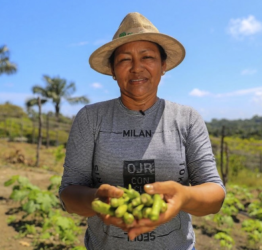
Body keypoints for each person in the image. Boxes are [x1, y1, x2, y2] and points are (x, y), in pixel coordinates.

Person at [59, 12, 226, 250]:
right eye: (125, 59)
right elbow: (68, 193)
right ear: (113, 71)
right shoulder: (91, 118)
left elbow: (215, 194)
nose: (137, 68)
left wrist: (183, 197)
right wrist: (97, 198)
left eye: (147, 57)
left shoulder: (186, 118)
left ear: (163, 65)